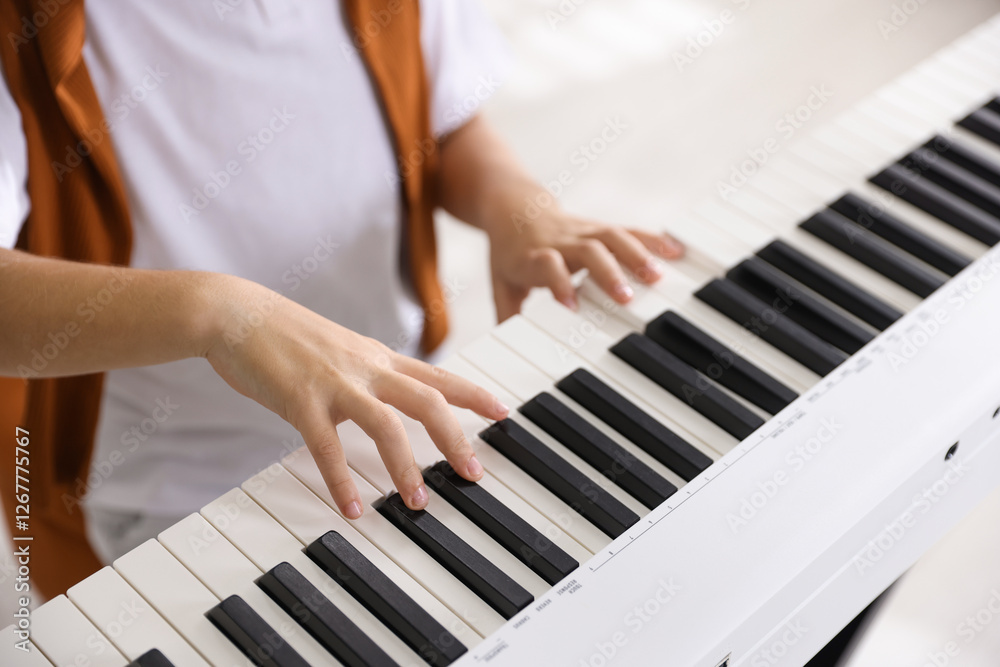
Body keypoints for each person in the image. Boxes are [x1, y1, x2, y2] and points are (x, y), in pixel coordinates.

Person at [0, 0, 682, 595]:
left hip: (399, 417)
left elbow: (443, 120)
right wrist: (219, 313)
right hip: (170, 495)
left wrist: (517, 205)